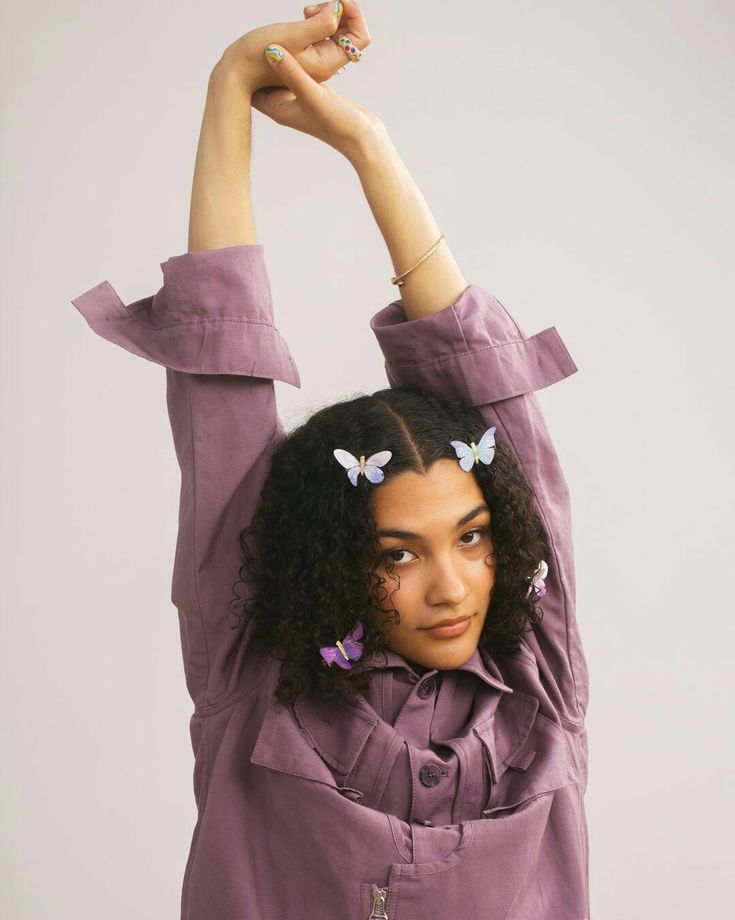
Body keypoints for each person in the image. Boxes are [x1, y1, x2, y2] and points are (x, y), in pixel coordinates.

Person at [70, 2, 591, 917]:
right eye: (397, 552)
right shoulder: (252, 671)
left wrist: (370, 148)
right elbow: (221, 390)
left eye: (471, 538)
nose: (452, 587)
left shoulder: (538, 682)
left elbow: (494, 393)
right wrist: (229, 91)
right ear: (330, 559)